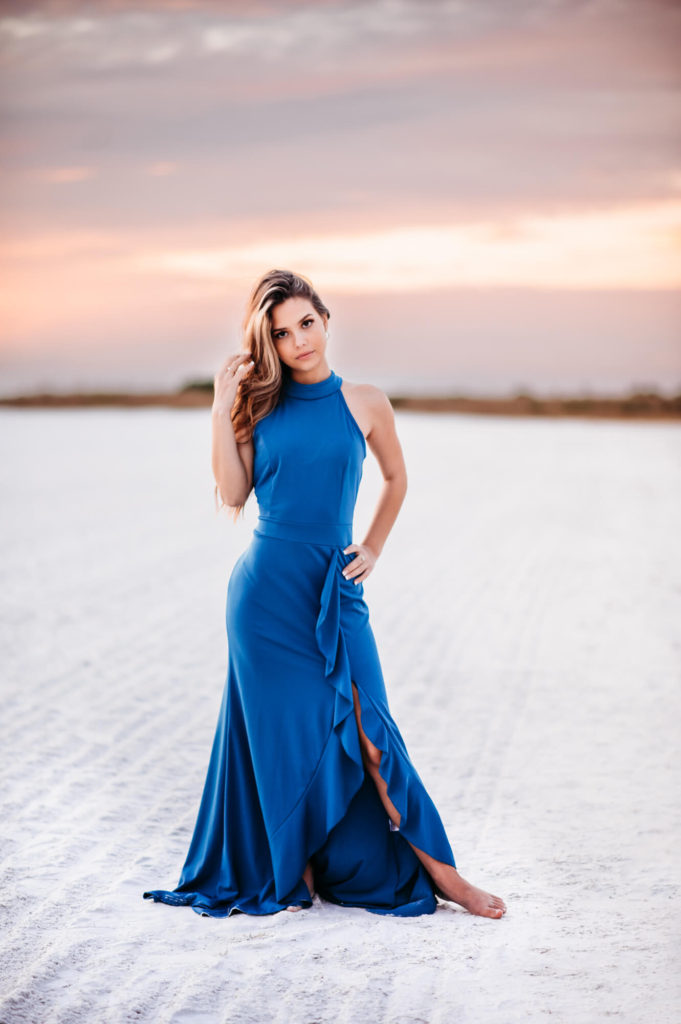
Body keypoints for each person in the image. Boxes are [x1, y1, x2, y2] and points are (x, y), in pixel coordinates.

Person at [143, 268, 506, 919]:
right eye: (281, 334)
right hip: (264, 602)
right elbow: (232, 493)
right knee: (284, 737)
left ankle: (447, 876)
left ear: (326, 320)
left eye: (305, 324)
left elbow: (396, 480)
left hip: (335, 594)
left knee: (371, 735)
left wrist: (371, 547)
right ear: (269, 345)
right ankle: (296, 868)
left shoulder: (366, 402)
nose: (298, 341)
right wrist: (219, 410)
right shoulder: (258, 407)